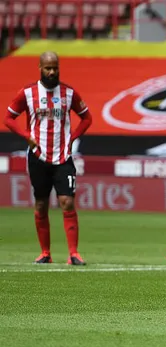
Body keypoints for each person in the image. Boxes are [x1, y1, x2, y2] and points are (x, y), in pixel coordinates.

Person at [4, 51, 92, 265]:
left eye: (55, 68)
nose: (52, 72)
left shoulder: (69, 93)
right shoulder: (28, 93)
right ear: (40, 68)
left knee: (67, 202)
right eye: (47, 68)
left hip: (63, 156)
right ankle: (45, 253)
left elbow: (87, 118)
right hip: (38, 156)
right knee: (41, 204)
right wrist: (26, 136)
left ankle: (73, 254)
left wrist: (73, 137)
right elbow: (8, 118)